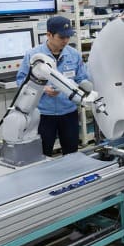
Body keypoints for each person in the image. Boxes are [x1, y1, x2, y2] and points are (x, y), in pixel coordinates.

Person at [16, 15, 89, 157]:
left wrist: (82, 88)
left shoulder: (74, 55)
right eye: (61, 37)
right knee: (43, 154)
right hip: (43, 114)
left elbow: (82, 78)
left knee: (72, 153)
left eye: (68, 37)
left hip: (68, 113)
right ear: (49, 35)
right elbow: (21, 81)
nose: (66, 41)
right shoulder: (34, 56)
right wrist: (43, 90)